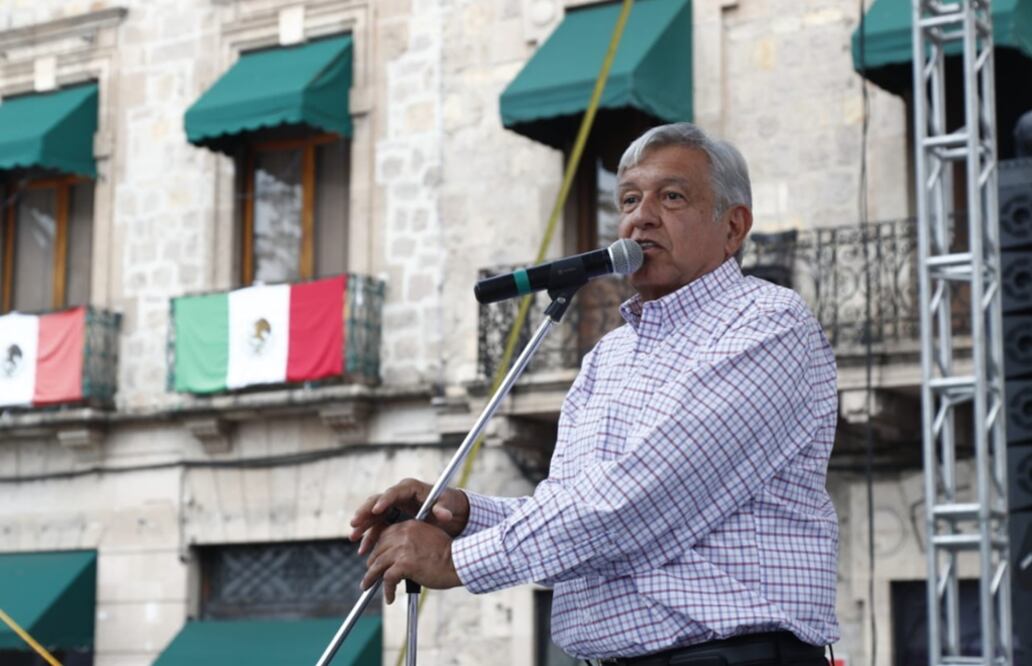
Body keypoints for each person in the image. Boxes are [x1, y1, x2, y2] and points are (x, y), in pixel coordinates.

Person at [350, 122, 839, 665]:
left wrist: (459, 561)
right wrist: (465, 515)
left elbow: (641, 502)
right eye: (629, 199)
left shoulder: (767, 323)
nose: (641, 216)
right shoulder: (609, 356)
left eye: (671, 196)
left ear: (734, 226)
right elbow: (575, 508)